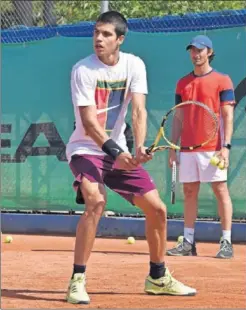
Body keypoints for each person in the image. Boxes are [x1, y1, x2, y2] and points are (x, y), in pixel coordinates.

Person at [65, 10, 196, 305]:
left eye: (106, 34)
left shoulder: (134, 65)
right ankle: (77, 280)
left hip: (119, 150)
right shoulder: (82, 70)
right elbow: (88, 122)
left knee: (158, 209)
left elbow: (138, 110)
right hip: (86, 150)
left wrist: (137, 148)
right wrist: (117, 152)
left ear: (120, 39)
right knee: (96, 201)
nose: (98, 38)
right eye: (96, 32)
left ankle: (158, 277)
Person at [167, 35, 235, 259]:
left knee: (220, 190)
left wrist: (225, 146)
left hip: (213, 147)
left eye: (200, 50)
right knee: (189, 192)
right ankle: (188, 242)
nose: (196, 54)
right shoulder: (181, 83)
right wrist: (172, 147)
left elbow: (227, 115)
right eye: (192, 51)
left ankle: (226, 242)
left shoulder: (223, 80)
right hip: (187, 148)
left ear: (210, 52)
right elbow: (178, 117)